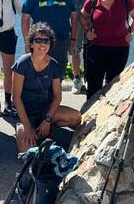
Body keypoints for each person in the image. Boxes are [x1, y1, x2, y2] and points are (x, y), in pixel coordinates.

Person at [12, 22, 82, 153]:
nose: (42, 44)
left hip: (45, 110)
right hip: (25, 113)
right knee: (26, 151)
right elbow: (16, 97)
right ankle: (28, 130)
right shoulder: (22, 64)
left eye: (46, 41)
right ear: (31, 43)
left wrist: (48, 119)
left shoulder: (54, 65)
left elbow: (57, 96)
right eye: (38, 40)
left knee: (76, 117)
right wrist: (27, 127)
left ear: (50, 44)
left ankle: (47, 128)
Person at [81, 0, 134, 100]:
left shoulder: (124, 0)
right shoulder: (92, 1)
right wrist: (87, 30)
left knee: (113, 85)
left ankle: (108, 115)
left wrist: (130, 31)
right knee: (93, 84)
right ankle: (89, 114)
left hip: (120, 48)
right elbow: (83, 16)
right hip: (96, 48)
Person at [21, 0, 77, 79]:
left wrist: (73, 39)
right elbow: (25, 18)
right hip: (40, 42)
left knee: (59, 72)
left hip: (61, 41)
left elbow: (74, 17)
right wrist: (27, 41)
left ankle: (56, 97)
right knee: (39, 72)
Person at [61, 0, 95, 94]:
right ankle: (76, 79)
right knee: (75, 50)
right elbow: (61, 0)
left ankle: (89, 79)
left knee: (90, 50)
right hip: (73, 19)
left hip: (90, 18)